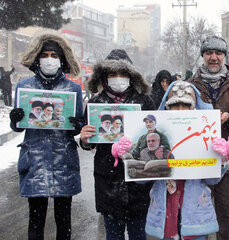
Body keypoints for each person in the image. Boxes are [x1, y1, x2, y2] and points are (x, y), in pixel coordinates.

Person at [113, 80, 229, 239]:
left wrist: (222, 158)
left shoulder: (204, 137)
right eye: (176, 105)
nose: (181, 110)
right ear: (167, 108)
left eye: (186, 105)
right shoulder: (155, 137)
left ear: (193, 108)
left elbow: (212, 180)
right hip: (165, 214)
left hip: (195, 216)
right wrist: (127, 155)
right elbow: (141, 180)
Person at [8, 31, 84, 240]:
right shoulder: (24, 87)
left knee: (64, 220)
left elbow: (78, 126)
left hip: (63, 160)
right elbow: (18, 127)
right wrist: (15, 119)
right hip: (35, 160)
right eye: (45, 55)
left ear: (62, 59)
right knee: (36, 219)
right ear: (37, 58)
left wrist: (78, 125)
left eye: (54, 55)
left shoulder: (73, 88)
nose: (49, 59)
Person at [79, 48, 155, 240]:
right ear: (104, 77)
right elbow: (88, 141)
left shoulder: (143, 101)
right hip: (108, 182)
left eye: (123, 74)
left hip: (138, 182)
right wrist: (85, 140)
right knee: (113, 235)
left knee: (139, 234)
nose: (118, 78)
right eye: (113, 74)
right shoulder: (96, 103)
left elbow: (155, 135)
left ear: (131, 76)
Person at [188, 35, 229, 240]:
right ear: (203, 56)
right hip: (199, 158)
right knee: (199, 209)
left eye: (218, 53)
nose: (214, 57)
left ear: (224, 56)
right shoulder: (191, 85)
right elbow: (179, 115)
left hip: (227, 160)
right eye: (209, 53)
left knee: (226, 211)